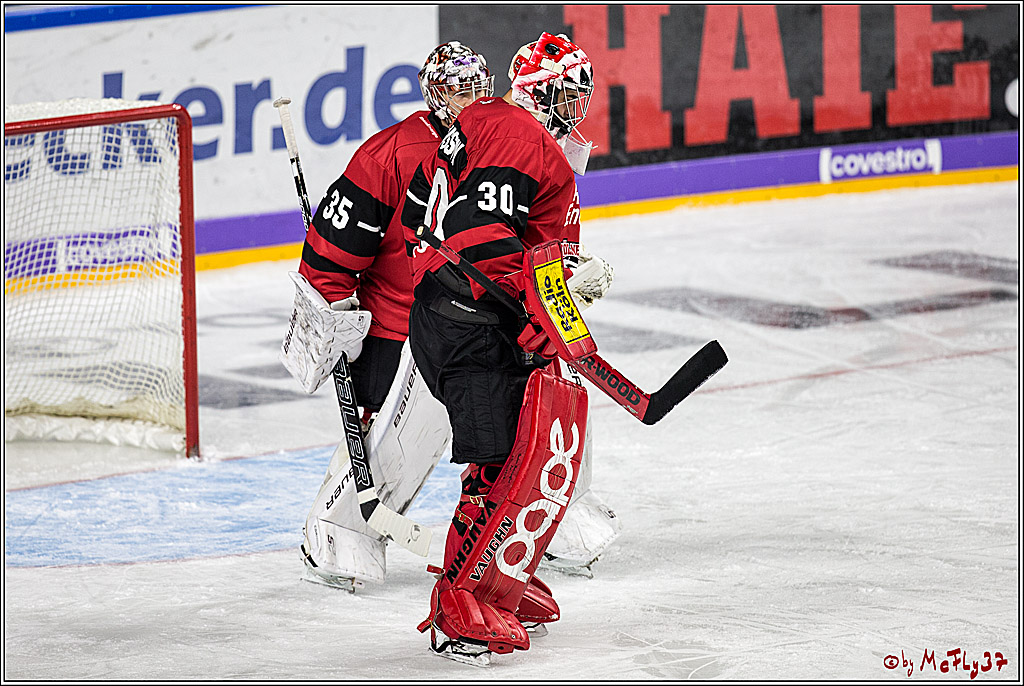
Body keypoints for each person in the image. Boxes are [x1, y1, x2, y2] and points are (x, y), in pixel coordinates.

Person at [279, 39, 619, 597]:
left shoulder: (529, 145)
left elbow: (538, 244)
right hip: (428, 317)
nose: (465, 98)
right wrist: (327, 310)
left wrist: (563, 294)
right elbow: (341, 241)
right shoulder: (398, 151)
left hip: (506, 311)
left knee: (554, 408)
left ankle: (546, 523)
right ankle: (341, 529)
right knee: (413, 434)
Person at [401, 32, 613, 664]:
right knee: (494, 458)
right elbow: (477, 235)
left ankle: (495, 578)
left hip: (476, 314)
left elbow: (431, 220)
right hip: (466, 320)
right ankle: (457, 602)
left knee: (514, 452)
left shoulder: (501, 131)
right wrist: (537, 294)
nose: (579, 113)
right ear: (541, 95)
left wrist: (554, 306)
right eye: (570, 97)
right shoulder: (520, 135)